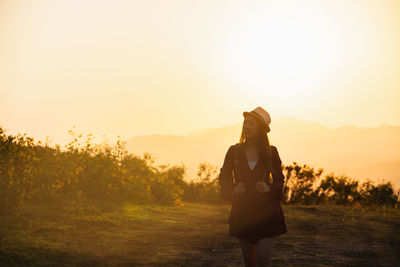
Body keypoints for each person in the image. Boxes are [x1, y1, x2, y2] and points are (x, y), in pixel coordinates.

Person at [218, 106, 287, 267]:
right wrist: (233, 189)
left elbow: (279, 180)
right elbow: (224, 177)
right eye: (245, 123)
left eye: (251, 124)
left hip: (267, 212)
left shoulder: (271, 152)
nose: (246, 127)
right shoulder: (234, 151)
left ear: (261, 129)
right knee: (250, 262)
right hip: (243, 212)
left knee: (264, 259)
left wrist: (269, 189)